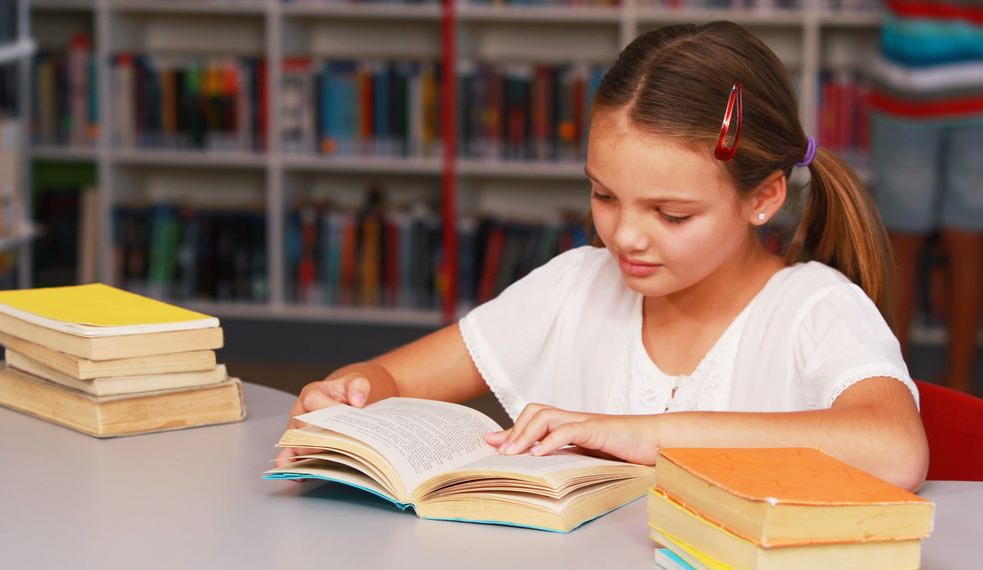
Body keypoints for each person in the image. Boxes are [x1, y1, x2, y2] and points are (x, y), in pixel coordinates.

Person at [275, 22, 929, 491]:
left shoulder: (816, 309)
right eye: (604, 195)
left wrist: (644, 433)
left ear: (763, 197)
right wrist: (352, 390)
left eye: (671, 215)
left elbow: (895, 449)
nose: (625, 237)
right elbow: (393, 378)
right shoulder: (575, 286)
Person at [870, 0, 983, 395]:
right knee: (967, 242)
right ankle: (961, 380)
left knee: (903, 242)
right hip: (974, 88)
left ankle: (892, 386)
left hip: (909, 84)